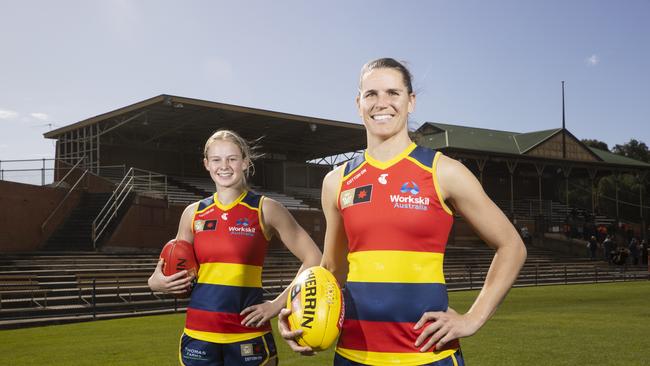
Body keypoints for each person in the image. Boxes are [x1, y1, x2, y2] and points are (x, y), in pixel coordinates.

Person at [278, 58, 527, 365]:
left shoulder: (444, 171)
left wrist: (473, 318)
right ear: (358, 104)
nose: (381, 103)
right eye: (371, 94)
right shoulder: (336, 181)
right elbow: (332, 267)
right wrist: (302, 315)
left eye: (393, 93)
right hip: (353, 355)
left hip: (428, 357)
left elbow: (512, 246)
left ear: (411, 102)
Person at [148, 130, 322, 366]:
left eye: (232, 158)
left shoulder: (265, 209)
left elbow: (314, 257)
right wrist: (156, 283)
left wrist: (276, 305)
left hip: (248, 335)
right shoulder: (193, 213)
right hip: (198, 336)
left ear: (245, 162)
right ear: (207, 164)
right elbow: (175, 265)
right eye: (217, 160)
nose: (225, 166)